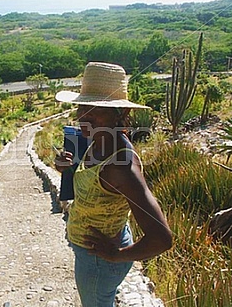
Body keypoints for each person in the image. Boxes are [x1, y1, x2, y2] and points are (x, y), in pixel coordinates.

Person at [54, 62, 172, 307]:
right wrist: (67, 167)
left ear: (121, 114)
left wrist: (116, 256)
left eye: (95, 109)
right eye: (81, 106)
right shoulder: (98, 140)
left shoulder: (121, 167)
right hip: (97, 249)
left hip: (98, 262)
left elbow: (162, 238)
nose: (82, 116)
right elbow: (95, 181)